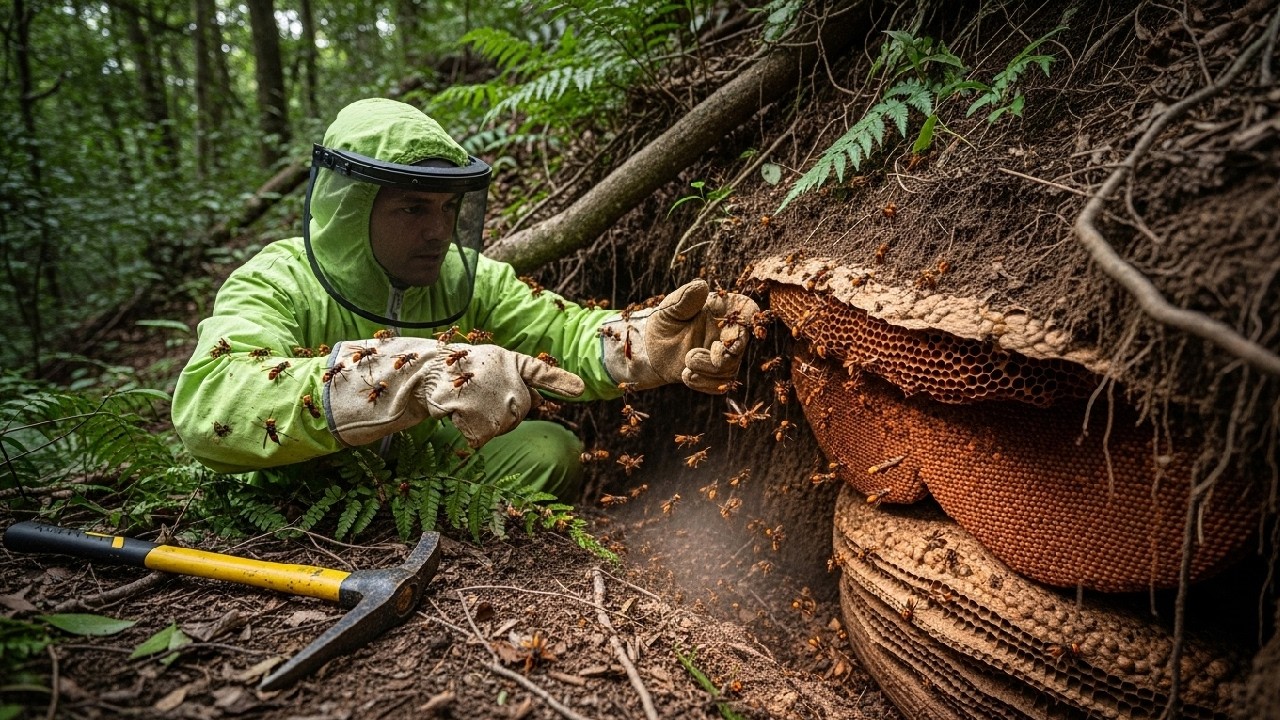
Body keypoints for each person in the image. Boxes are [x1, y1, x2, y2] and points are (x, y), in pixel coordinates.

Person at [173, 98, 760, 500]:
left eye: (449, 209)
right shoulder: (276, 279)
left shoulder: (468, 276)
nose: (439, 231)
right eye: (413, 208)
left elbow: (563, 333)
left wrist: (644, 341)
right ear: (354, 208)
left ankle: (424, 522)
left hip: (421, 472)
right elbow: (213, 399)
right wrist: (414, 370)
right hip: (298, 485)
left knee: (551, 449)